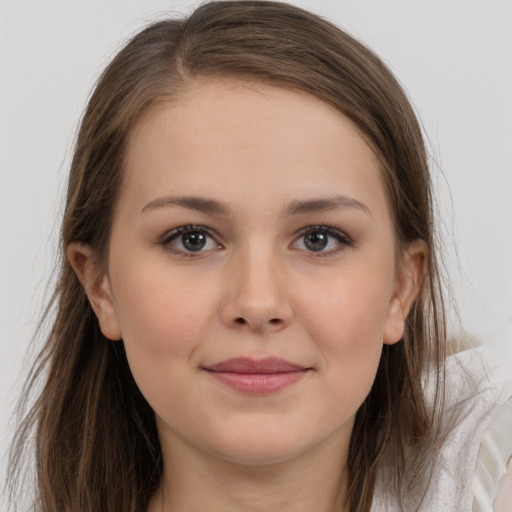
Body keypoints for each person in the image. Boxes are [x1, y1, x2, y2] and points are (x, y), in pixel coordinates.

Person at [6, 1, 511, 511]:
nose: (257, 301)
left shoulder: (486, 472)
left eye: (319, 238)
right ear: (100, 286)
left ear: (402, 288)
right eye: (192, 239)